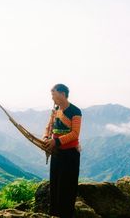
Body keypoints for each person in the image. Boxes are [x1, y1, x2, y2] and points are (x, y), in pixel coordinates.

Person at [43, 83, 82, 218]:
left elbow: (75, 133)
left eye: (54, 95)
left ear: (62, 94)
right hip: (56, 154)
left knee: (67, 187)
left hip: (70, 155)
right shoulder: (55, 111)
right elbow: (49, 127)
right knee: (55, 185)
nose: (52, 98)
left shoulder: (75, 112)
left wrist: (56, 141)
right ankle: (54, 214)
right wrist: (46, 137)